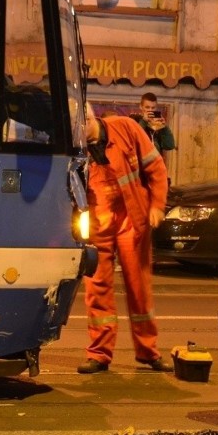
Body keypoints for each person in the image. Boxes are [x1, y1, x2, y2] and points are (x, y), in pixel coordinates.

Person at [77, 105, 174, 374]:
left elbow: (156, 168)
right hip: (98, 223)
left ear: (89, 119)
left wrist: (157, 205)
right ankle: (99, 354)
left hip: (133, 220)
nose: (77, 134)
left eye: (79, 126)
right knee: (97, 290)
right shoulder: (77, 147)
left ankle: (148, 352)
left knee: (139, 287)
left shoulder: (126, 128)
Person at [131, 92, 176, 157]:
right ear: (141, 106)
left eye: (153, 108)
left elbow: (169, 146)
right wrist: (144, 121)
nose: (150, 110)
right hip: (140, 163)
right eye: (147, 107)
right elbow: (133, 140)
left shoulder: (158, 123)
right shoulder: (134, 120)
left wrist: (164, 127)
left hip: (156, 163)